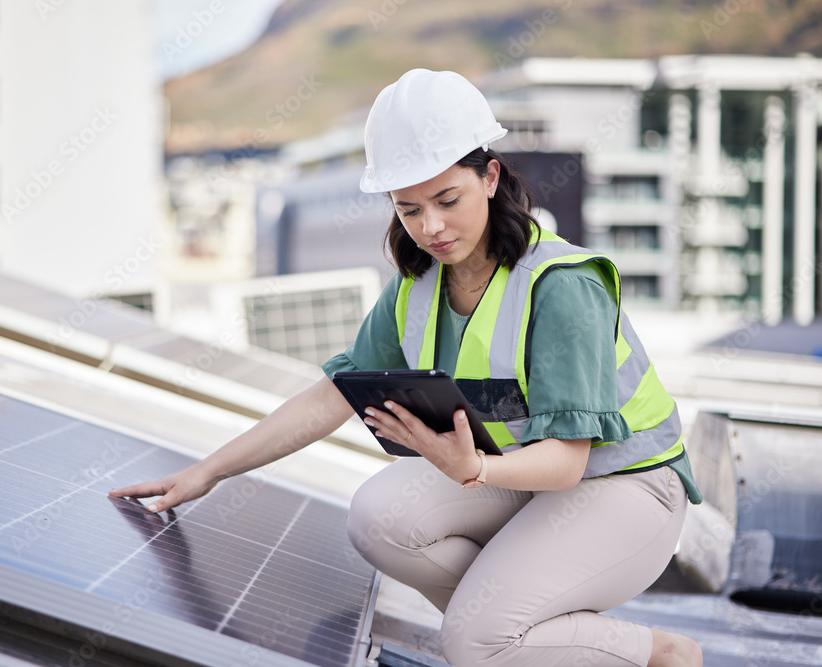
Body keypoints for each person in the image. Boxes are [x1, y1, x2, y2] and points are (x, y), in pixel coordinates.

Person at [111, 68, 704, 667]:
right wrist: (207, 473)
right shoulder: (416, 288)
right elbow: (331, 397)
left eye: (448, 200)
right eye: (410, 209)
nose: (432, 228)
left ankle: (657, 655)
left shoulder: (562, 286)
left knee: (474, 640)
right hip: (518, 481)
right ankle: (530, 638)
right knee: (379, 518)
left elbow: (567, 460)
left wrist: (471, 470)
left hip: (626, 488)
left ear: (490, 176)